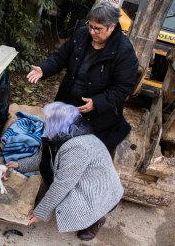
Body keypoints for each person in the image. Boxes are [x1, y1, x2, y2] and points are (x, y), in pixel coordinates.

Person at [27, 2, 139, 150]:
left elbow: (123, 88)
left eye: (98, 29)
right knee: (54, 141)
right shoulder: (81, 35)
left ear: (111, 27)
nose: (92, 32)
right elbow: (61, 57)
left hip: (95, 116)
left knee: (78, 149)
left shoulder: (124, 52)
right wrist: (44, 69)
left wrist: (97, 103)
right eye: (90, 26)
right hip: (67, 102)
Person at [7, 102, 123, 241]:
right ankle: (57, 200)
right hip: (81, 178)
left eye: (48, 120)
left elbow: (63, 184)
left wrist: (40, 213)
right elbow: (42, 157)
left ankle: (96, 219)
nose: (45, 122)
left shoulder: (78, 147)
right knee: (46, 166)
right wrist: (19, 164)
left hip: (98, 192)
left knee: (72, 205)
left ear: (57, 123)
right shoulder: (61, 134)